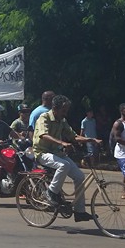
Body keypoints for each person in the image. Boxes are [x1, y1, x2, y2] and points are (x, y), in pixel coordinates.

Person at [32, 94, 99, 222]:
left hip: (57, 153)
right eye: (64, 110)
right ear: (55, 108)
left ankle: (80, 212)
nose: (65, 113)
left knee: (80, 176)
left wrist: (90, 139)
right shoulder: (44, 117)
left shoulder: (62, 121)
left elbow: (73, 136)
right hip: (42, 152)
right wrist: (62, 143)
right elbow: (43, 135)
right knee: (63, 165)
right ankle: (50, 193)